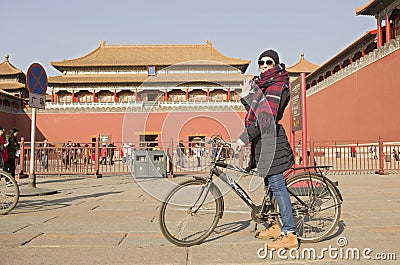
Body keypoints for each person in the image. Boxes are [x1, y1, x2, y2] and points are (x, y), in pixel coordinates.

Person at [235, 49, 297, 250]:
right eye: (260, 62)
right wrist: (247, 98)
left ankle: (289, 233)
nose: (263, 65)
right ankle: (275, 225)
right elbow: (256, 111)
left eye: (268, 62)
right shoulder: (263, 86)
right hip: (263, 144)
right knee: (269, 186)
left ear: (276, 64)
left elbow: (265, 119)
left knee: (278, 187)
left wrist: (244, 138)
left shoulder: (278, 86)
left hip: (273, 143)